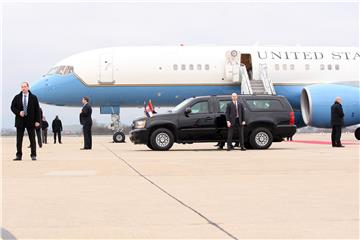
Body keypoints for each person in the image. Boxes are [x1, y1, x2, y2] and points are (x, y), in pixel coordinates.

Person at [10, 82, 41, 161]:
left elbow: (37, 110)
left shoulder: (34, 97)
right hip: (20, 121)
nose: (23, 88)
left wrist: (37, 121)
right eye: (22, 87)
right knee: (19, 140)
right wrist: (19, 112)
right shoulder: (17, 97)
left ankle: (33, 155)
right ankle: (18, 155)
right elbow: (12, 107)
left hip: (30, 121)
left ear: (28, 87)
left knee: (32, 139)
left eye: (24, 87)